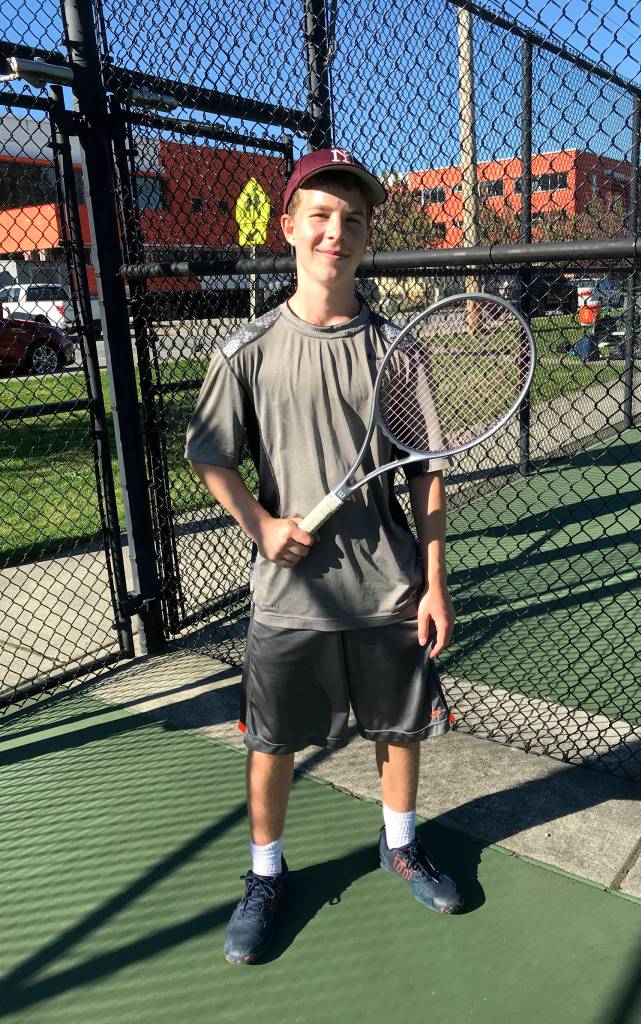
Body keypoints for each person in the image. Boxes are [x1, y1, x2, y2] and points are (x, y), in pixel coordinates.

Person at [185, 147, 463, 966]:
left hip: (387, 588)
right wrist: (261, 525)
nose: (334, 231)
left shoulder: (398, 351)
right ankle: (265, 875)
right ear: (289, 228)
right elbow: (210, 455)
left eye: (351, 219)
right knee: (271, 743)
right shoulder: (247, 350)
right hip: (287, 594)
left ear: (368, 235)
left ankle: (399, 844)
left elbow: (427, 475)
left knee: (397, 729)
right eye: (319, 215)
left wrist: (435, 583)